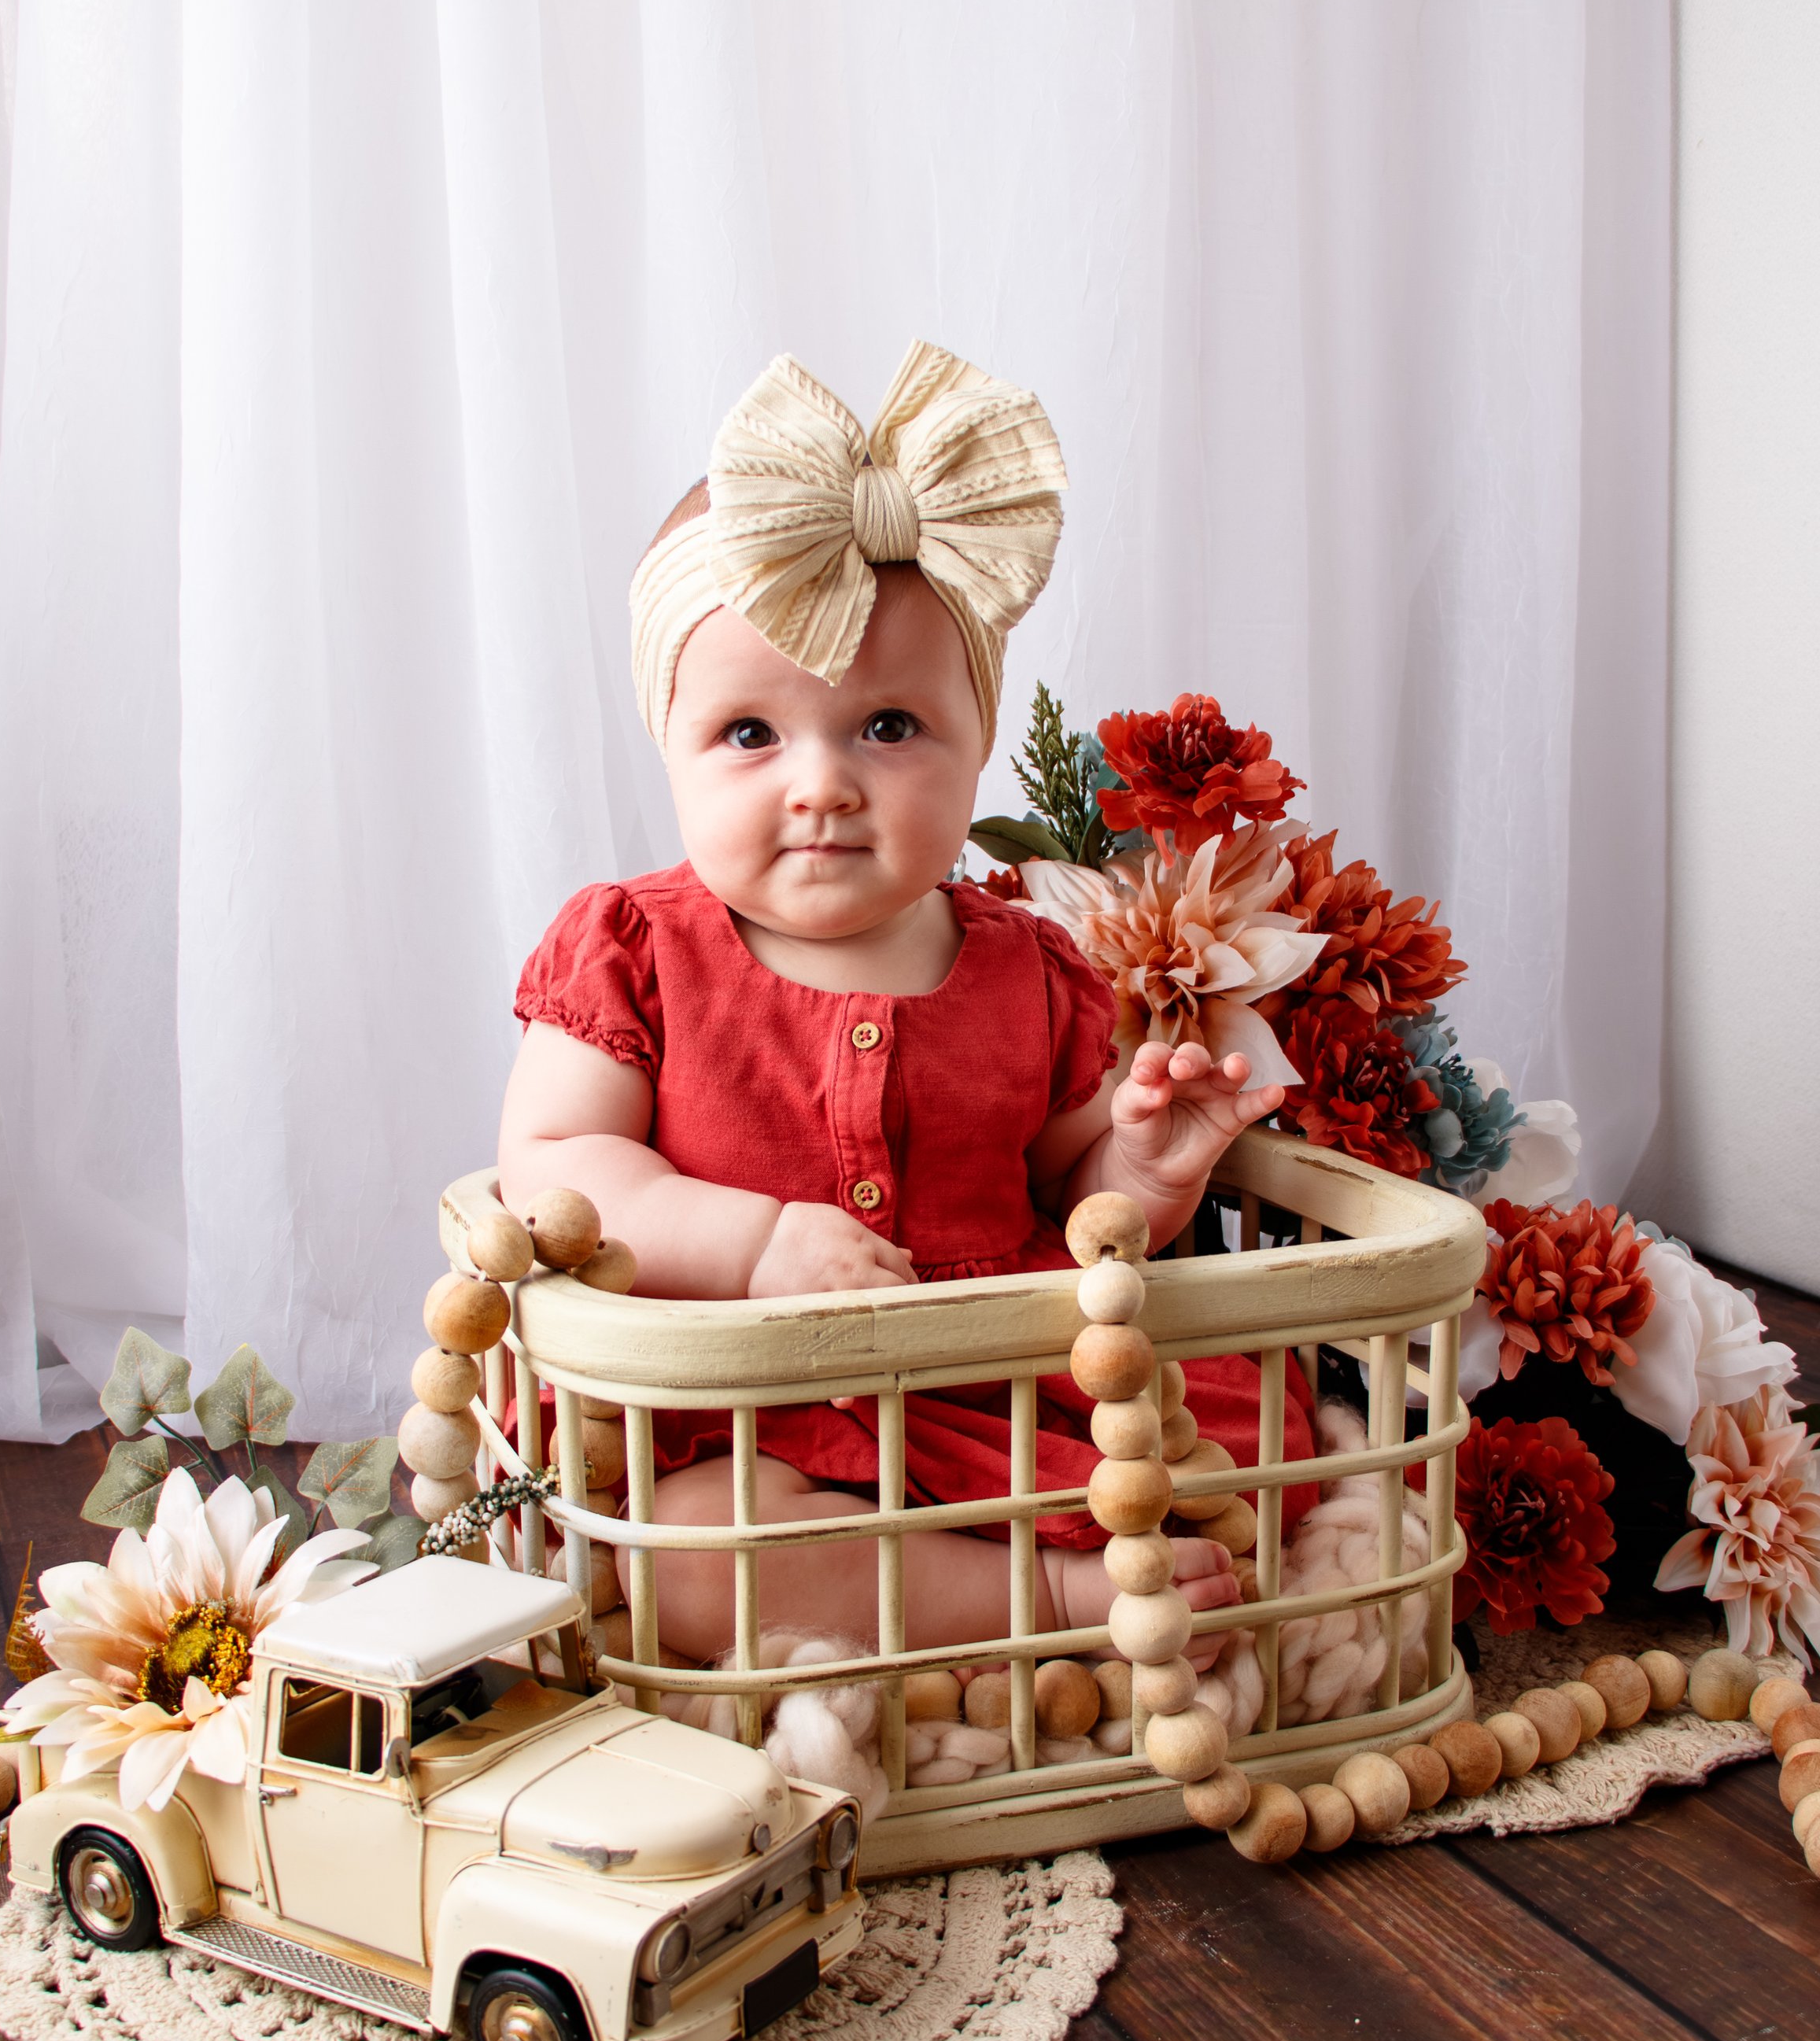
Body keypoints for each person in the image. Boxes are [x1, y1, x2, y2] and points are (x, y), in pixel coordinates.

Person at [498, 343, 1318, 1661]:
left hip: (990, 1394)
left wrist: (1148, 1166)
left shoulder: (1030, 966)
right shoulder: (634, 950)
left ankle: (1042, 1572)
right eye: (751, 735)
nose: (820, 783)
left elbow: (1072, 1193)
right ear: (670, 743)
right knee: (695, 1556)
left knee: (1248, 1459)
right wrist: (755, 1243)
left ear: (976, 737)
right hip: (754, 1405)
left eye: (886, 726)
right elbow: (551, 1168)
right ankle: (1046, 1608)